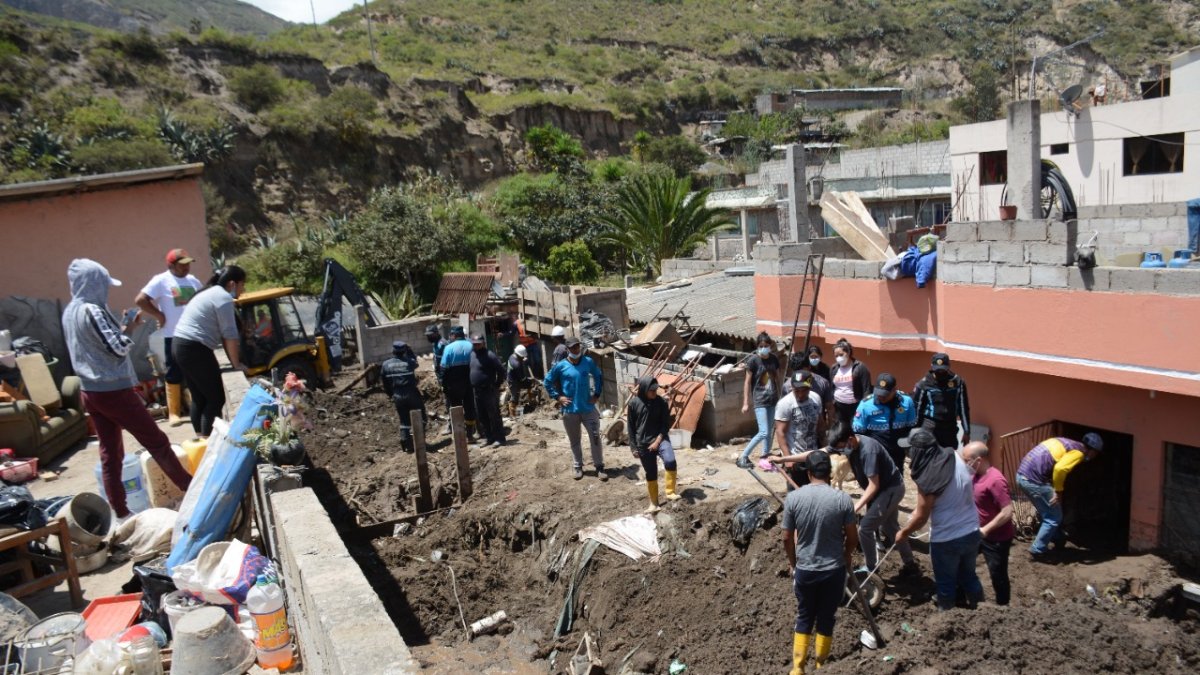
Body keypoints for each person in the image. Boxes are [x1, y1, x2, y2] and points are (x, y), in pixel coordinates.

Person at [62, 259, 192, 519]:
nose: (107, 291)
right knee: (157, 442)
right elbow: (118, 348)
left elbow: (97, 346)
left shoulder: (69, 311)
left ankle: (120, 512)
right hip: (114, 390)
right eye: (104, 285)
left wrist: (121, 328)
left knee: (110, 453)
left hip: (90, 391)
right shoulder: (93, 311)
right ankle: (191, 491)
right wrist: (130, 328)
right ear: (94, 283)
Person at [781, 451, 858, 675]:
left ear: (809, 472)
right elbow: (853, 537)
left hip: (805, 569)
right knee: (826, 617)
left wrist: (794, 563)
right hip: (833, 570)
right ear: (829, 472)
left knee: (804, 615)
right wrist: (847, 555)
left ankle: (797, 668)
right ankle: (821, 667)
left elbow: (787, 538)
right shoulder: (842, 499)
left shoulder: (794, 498)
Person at [897, 429, 984, 611]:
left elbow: (921, 517)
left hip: (948, 539)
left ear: (919, 451)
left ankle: (945, 622)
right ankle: (982, 610)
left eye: (910, 450)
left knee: (945, 583)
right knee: (969, 576)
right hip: (972, 531)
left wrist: (903, 533)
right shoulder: (952, 454)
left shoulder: (929, 475)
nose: (908, 454)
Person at [826, 420, 918, 576]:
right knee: (891, 528)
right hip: (881, 491)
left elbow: (873, 485)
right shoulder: (847, 443)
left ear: (850, 438)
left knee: (865, 528)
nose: (841, 451)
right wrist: (785, 460)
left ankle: (871, 568)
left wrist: (855, 508)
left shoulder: (868, 450)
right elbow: (821, 452)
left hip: (890, 489)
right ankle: (910, 564)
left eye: (842, 447)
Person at [172, 266, 248, 436]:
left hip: (180, 345)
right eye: (242, 284)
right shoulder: (223, 298)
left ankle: (200, 441)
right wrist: (236, 364)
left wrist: (234, 362)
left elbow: (224, 335)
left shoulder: (208, 293)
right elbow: (229, 334)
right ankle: (209, 443)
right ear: (232, 284)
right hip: (194, 348)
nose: (243, 289)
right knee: (216, 399)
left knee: (199, 398)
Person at [134, 248, 203, 427]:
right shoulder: (161, 280)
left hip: (194, 335)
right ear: (171, 265)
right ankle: (174, 412)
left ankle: (197, 405)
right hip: (173, 335)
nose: (186, 267)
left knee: (196, 371)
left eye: (188, 263)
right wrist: (159, 316)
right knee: (174, 372)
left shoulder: (193, 281)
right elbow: (141, 300)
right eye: (182, 264)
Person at [1016, 433, 1103, 559]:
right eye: (1095, 453)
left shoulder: (1064, 441)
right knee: (1053, 516)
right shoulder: (1079, 452)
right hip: (1033, 480)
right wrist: (1058, 491)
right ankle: (1037, 549)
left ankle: (1058, 538)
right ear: (1092, 450)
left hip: (1021, 475)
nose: (1094, 456)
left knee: (1050, 510)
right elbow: (1060, 469)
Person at [543, 336, 605, 481]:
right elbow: (547, 381)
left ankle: (599, 466)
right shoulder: (561, 366)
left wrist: (596, 394)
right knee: (575, 440)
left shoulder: (588, 362)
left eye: (577, 347)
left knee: (595, 437)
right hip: (570, 410)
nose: (576, 350)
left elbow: (598, 376)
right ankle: (578, 466)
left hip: (588, 408)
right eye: (572, 347)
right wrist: (558, 397)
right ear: (568, 349)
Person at [961, 441, 1013, 605]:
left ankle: (1003, 607)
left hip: (996, 538)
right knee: (961, 563)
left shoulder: (995, 480)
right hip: (976, 532)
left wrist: (986, 530)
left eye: (967, 460)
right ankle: (962, 599)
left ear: (979, 460)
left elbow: (1007, 511)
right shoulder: (974, 476)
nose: (964, 464)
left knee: (997, 574)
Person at [626, 376, 679, 512]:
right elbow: (631, 427)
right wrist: (633, 447)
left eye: (656, 390)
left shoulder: (661, 402)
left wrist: (657, 440)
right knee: (651, 472)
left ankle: (670, 492)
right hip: (643, 443)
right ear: (644, 389)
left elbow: (665, 424)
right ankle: (654, 503)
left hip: (660, 439)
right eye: (652, 390)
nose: (655, 392)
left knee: (670, 460)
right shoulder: (634, 404)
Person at [769, 372, 824, 489]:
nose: (800, 394)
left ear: (809, 387)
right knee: (796, 495)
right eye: (796, 390)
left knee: (817, 491)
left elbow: (820, 425)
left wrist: (825, 449)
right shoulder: (785, 404)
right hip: (795, 458)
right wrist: (788, 459)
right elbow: (780, 432)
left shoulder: (816, 399)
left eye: (803, 390)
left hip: (814, 455)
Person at [852, 373, 916, 473]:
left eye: (885, 394)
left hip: (897, 451)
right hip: (874, 451)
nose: (881, 397)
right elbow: (858, 432)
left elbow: (911, 427)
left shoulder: (906, 401)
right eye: (878, 393)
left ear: (894, 390)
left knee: (897, 479)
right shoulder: (866, 404)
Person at [737, 332, 782, 469]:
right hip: (760, 400)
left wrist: (780, 397)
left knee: (769, 431)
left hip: (772, 399)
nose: (764, 348)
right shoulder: (753, 361)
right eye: (761, 346)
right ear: (757, 347)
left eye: (766, 345)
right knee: (763, 432)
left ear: (770, 346)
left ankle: (765, 458)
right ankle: (743, 456)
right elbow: (747, 382)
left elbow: (777, 378)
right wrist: (746, 402)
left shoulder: (774, 359)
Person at [912, 352, 971, 449]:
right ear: (932, 366)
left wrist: (967, 431)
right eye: (937, 370)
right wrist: (916, 431)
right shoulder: (924, 384)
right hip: (930, 427)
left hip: (950, 427)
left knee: (949, 457)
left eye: (943, 370)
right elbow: (917, 410)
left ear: (949, 366)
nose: (940, 373)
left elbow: (963, 407)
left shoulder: (958, 382)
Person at [381, 340, 424, 453]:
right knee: (420, 415)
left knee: (404, 421)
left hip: (398, 395)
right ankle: (420, 440)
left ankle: (407, 445)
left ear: (393, 351)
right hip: (411, 393)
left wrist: (391, 394)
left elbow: (385, 383)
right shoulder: (409, 362)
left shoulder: (386, 365)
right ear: (403, 351)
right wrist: (409, 350)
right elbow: (416, 362)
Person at [440, 325, 478, 440]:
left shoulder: (449, 348)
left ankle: (458, 435)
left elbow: (444, 367)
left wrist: (443, 384)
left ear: (454, 335)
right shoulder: (471, 345)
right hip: (469, 381)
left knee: (456, 407)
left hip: (454, 383)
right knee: (470, 407)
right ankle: (470, 434)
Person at [469, 334, 506, 447]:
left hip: (489, 390)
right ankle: (489, 437)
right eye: (474, 344)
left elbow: (501, 371)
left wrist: (497, 384)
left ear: (483, 343)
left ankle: (499, 438)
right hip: (477, 391)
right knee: (482, 415)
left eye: (478, 344)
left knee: (494, 415)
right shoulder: (472, 355)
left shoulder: (490, 355)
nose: (476, 346)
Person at [830, 339, 871, 429]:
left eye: (841, 355)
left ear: (848, 352)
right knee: (841, 430)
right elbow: (832, 387)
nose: (838, 358)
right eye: (836, 356)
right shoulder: (834, 368)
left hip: (855, 406)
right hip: (839, 406)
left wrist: (863, 407)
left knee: (855, 429)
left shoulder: (860, 367)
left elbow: (866, 389)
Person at [506, 344, 534, 416]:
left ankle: (531, 402)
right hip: (513, 381)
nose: (523, 358)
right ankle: (513, 415)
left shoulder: (511, 356)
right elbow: (522, 378)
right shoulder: (516, 364)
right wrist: (528, 381)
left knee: (528, 385)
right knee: (515, 397)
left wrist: (523, 360)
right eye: (522, 357)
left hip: (514, 377)